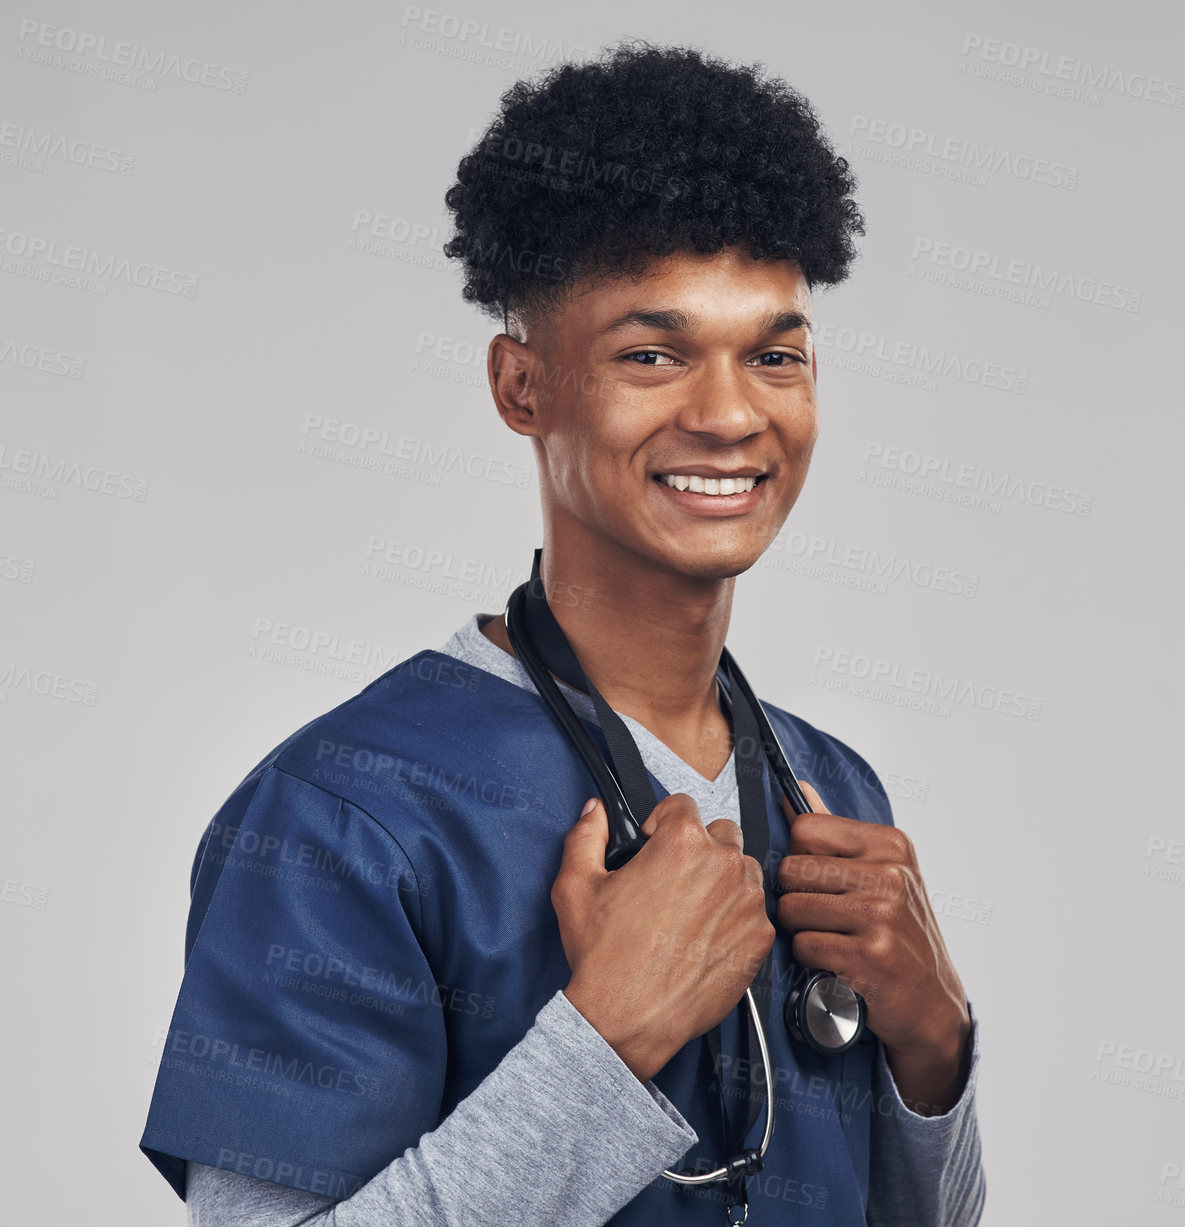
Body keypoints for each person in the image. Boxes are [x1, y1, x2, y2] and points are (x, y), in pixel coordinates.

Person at [139, 39, 985, 1226]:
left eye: (774, 356)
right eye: (653, 354)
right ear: (519, 388)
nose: (731, 413)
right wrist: (608, 1038)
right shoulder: (343, 817)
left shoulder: (828, 794)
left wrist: (934, 1052)